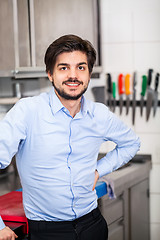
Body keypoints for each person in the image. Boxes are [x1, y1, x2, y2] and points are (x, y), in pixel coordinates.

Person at [0, 34, 140, 240]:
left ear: (89, 74)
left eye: (81, 67)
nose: (73, 75)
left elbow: (131, 143)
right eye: (64, 67)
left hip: (92, 225)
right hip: (47, 232)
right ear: (50, 73)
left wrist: (99, 170)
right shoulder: (27, 112)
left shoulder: (99, 114)